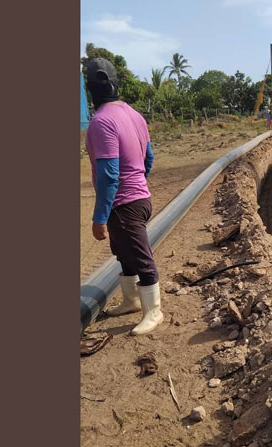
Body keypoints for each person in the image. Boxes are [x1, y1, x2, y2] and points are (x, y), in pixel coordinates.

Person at [84, 57, 163, 336]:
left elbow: (108, 175)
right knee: (124, 254)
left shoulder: (101, 122)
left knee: (140, 258)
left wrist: (99, 217)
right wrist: (139, 184)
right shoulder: (135, 115)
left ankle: (153, 311)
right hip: (137, 199)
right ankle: (130, 300)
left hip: (124, 204)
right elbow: (148, 157)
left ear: (90, 89)